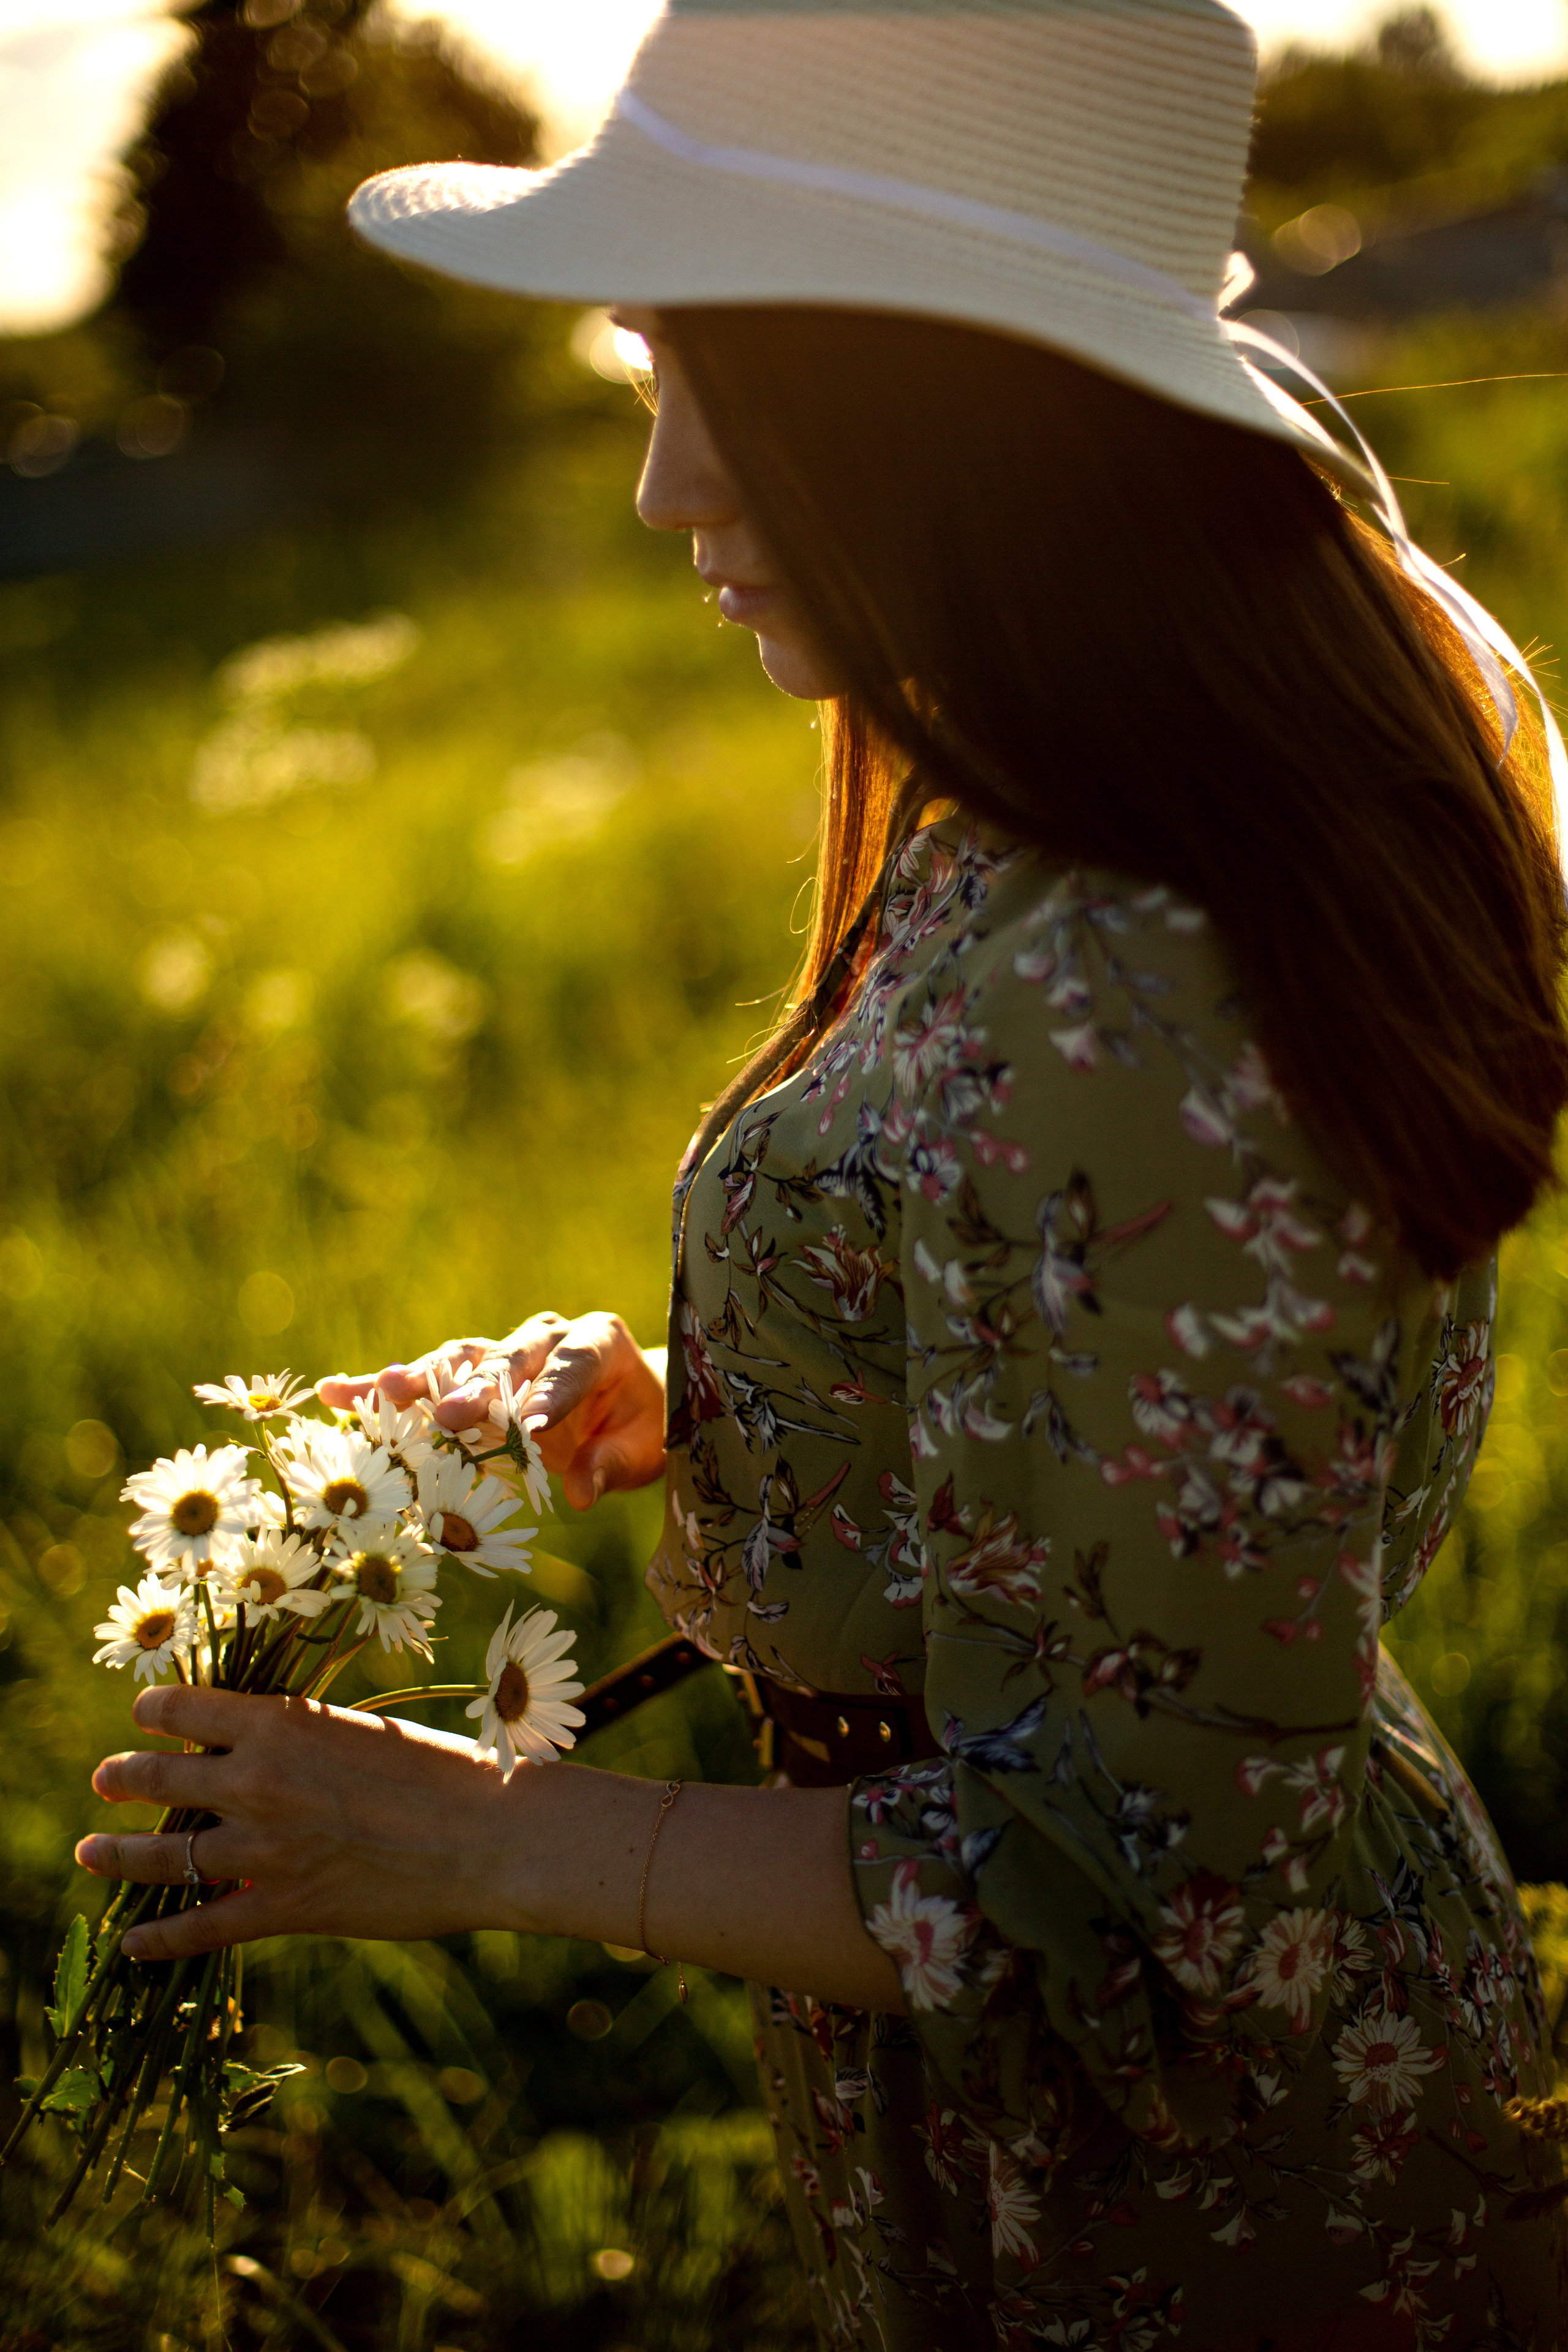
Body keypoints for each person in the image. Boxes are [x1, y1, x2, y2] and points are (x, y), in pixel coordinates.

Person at [77, 1, 1568, 2343]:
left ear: (943, 413)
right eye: (644, 372)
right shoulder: (1019, 804)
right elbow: (1114, 1371)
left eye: (713, 381)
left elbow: (1151, 1885)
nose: (667, 484)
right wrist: (777, 1413)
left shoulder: (1145, 969)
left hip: (1203, 2168)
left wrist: (466, 1835)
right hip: (997, 2086)